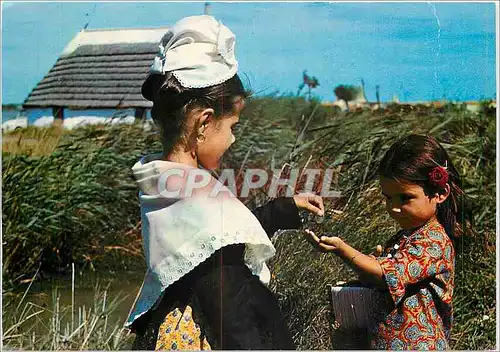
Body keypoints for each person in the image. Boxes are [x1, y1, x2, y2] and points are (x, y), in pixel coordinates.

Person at [125, 15, 324, 350]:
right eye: (232, 126)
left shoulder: (162, 179)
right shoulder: (196, 194)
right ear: (204, 123)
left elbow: (212, 241)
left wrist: (282, 209)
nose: (233, 139)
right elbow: (230, 305)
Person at [305, 134, 473, 350]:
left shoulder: (433, 241)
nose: (394, 207)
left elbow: (384, 276)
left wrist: (342, 250)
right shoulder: (407, 236)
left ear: (440, 193)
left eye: (405, 198)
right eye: (388, 198)